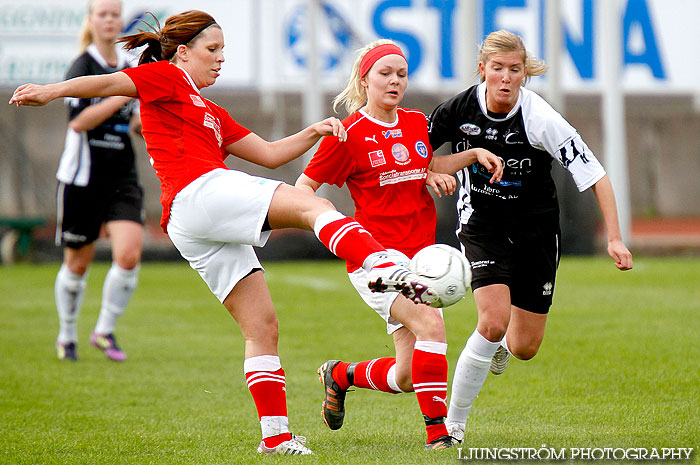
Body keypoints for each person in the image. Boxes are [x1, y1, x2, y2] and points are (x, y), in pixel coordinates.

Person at [10, 10, 445, 456]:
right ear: (183, 53)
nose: (220, 60)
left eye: (223, 51)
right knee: (316, 206)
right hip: (198, 193)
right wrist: (52, 90)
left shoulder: (211, 109)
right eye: (212, 50)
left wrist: (313, 131)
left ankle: (275, 438)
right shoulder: (168, 77)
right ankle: (383, 264)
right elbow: (111, 84)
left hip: (192, 222)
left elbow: (271, 155)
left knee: (262, 325)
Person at [426, 30, 634, 443]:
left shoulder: (541, 118)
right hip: (481, 223)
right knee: (491, 321)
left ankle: (504, 343)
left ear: (525, 73)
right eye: (497, 68)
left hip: (536, 231)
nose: (505, 77)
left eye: (514, 70)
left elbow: (595, 175)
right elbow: (421, 154)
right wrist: (435, 169)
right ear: (482, 69)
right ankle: (452, 426)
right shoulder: (457, 108)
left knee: (524, 346)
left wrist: (614, 237)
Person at [295, 40, 502, 450]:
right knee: (432, 326)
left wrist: (472, 154)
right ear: (364, 79)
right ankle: (439, 435)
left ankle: (340, 376)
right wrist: (330, 226)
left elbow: (423, 164)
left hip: (421, 254)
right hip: (376, 258)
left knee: (408, 376)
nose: (394, 81)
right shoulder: (347, 134)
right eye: (385, 73)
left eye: (401, 74)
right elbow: (304, 187)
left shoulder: (413, 122)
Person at [53, 0, 144, 363]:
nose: (110, 20)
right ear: (91, 21)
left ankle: (104, 331)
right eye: (103, 14)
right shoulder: (82, 67)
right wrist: (122, 91)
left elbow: (135, 123)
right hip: (83, 178)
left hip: (122, 175)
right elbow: (79, 122)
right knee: (77, 264)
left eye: (115, 13)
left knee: (129, 254)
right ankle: (67, 334)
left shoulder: (129, 68)